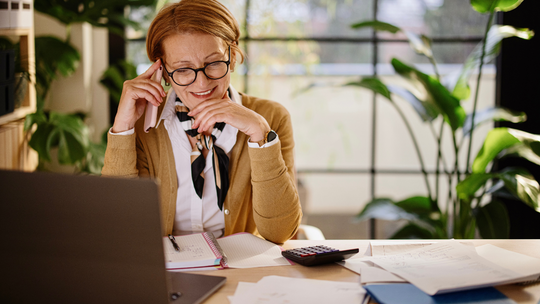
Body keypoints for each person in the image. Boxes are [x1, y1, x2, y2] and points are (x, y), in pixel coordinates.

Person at [101, 0, 301, 244]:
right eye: (184, 69)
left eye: (214, 63)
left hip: (239, 272)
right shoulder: (145, 125)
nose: (202, 83)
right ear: (162, 71)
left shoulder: (271, 117)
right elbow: (121, 229)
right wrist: (122, 129)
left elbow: (280, 232)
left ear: (233, 54)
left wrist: (260, 135)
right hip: (166, 272)